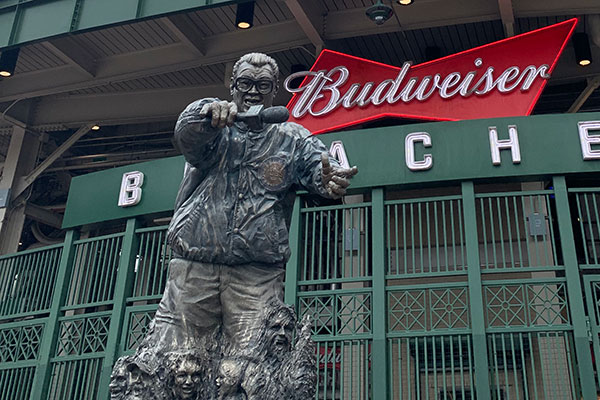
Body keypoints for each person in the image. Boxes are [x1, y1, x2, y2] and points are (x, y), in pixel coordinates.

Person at [152, 52, 357, 353]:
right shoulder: (212, 127)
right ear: (233, 86)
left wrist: (327, 181)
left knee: (256, 361)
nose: (253, 91)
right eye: (246, 83)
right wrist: (204, 112)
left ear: (274, 90)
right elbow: (186, 136)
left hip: (257, 274)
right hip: (194, 267)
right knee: (172, 356)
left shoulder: (292, 137)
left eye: (263, 85)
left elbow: (318, 166)